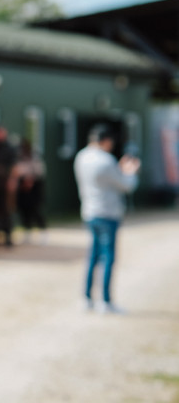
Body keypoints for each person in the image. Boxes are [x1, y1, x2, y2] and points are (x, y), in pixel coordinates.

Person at [73, 123, 140, 313]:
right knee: (108, 257)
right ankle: (105, 300)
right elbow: (126, 185)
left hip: (89, 211)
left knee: (93, 256)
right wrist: (130, 171)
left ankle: (86, 297)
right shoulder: (106, 160)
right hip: (108, 213)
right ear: (106, 141)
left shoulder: (82, 157)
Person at [10, 138, 47, 242]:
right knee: (24, 211)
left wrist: (31, 180)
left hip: (35, 188)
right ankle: (27, 232)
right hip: (23, 188)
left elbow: (39, 171)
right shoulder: (18, 158)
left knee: (36, 210)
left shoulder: (35, 157)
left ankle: (43, 232)